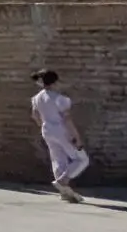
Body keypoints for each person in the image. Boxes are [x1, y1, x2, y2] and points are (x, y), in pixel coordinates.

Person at [30, 69, 88, 202]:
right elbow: (67, 119)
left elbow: (35, 115)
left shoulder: (37, 98)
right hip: (61, 131)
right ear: (55, 82)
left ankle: (65, 193)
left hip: (47, 130)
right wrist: (77, 138)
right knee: (82, 159)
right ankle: (63, 181)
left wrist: (44, 126)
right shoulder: (60, 99)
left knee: (58, 159)